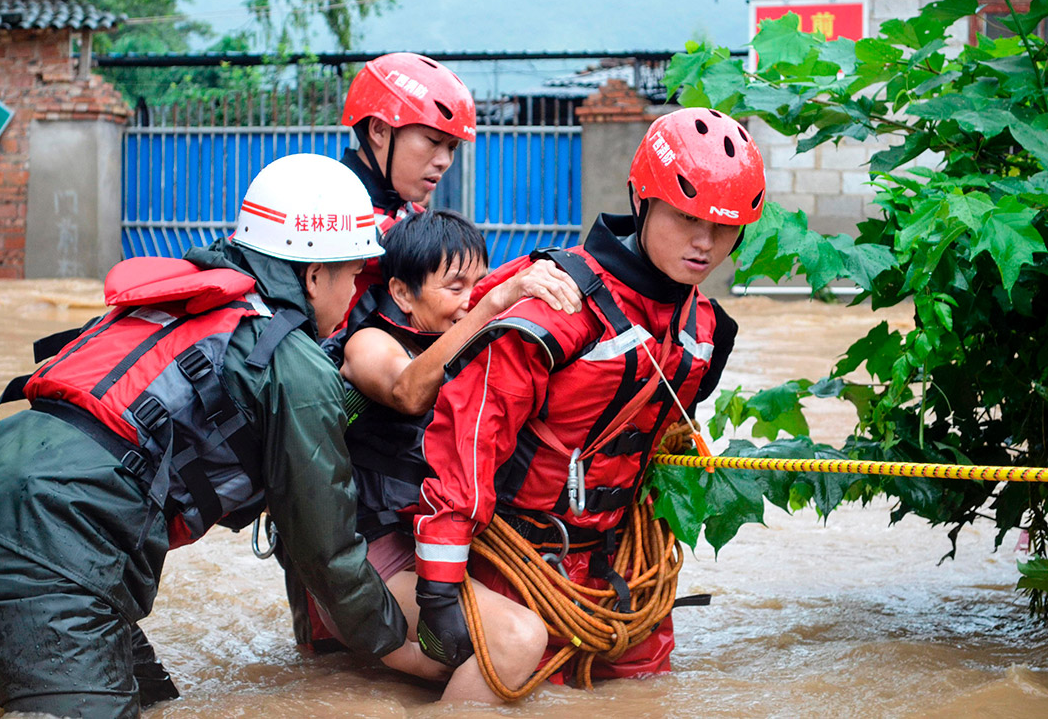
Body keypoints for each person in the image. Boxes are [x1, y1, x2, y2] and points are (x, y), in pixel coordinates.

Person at [0, 153, 440, 719]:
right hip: (46, 555)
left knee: (156, 705)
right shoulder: (293, 367)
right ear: (314, 274)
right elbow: (325, 548)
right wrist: (398, 644)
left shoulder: (199, 302)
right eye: (352, 275)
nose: (354, 295)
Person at [410, 109, 766, 689]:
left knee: (649, 694)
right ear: (644, 201)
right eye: (686, 218)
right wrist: (439, 587)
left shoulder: (706, 330)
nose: (705, 243)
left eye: (724, 228)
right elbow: (468, 438)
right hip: (516, 568)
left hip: (619, 577)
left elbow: (667, 451)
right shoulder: (560, 301)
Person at [292, 208, 583, 702]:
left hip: (425, 549)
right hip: (363, 562)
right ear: (402, 292)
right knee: (519, 639)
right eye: (454, 287)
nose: (468, 299)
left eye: (478, 282)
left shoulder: (475, 341)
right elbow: (408, 391)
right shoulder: (367, 344)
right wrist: (494, 302)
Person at [337, 52, 477, 311]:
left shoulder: (413, 217)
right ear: (379, 130)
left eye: (452, 147)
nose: (444, 161)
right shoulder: (322, 206)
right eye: (433, 141)